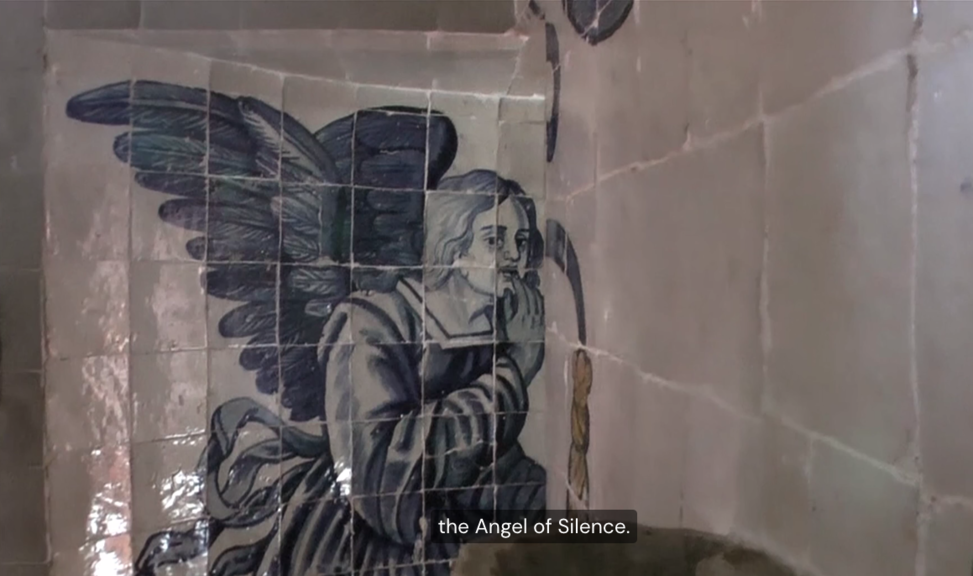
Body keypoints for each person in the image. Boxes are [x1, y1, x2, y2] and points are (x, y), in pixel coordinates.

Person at [195, 170, 547, 576]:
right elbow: (385, 479)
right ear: (452, 243)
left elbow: (488, 462)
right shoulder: (373, 325)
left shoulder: (501, 329)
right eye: (494, 239)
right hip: (370, 548)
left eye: (521, 242)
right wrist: (512, 374)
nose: (513, 256)